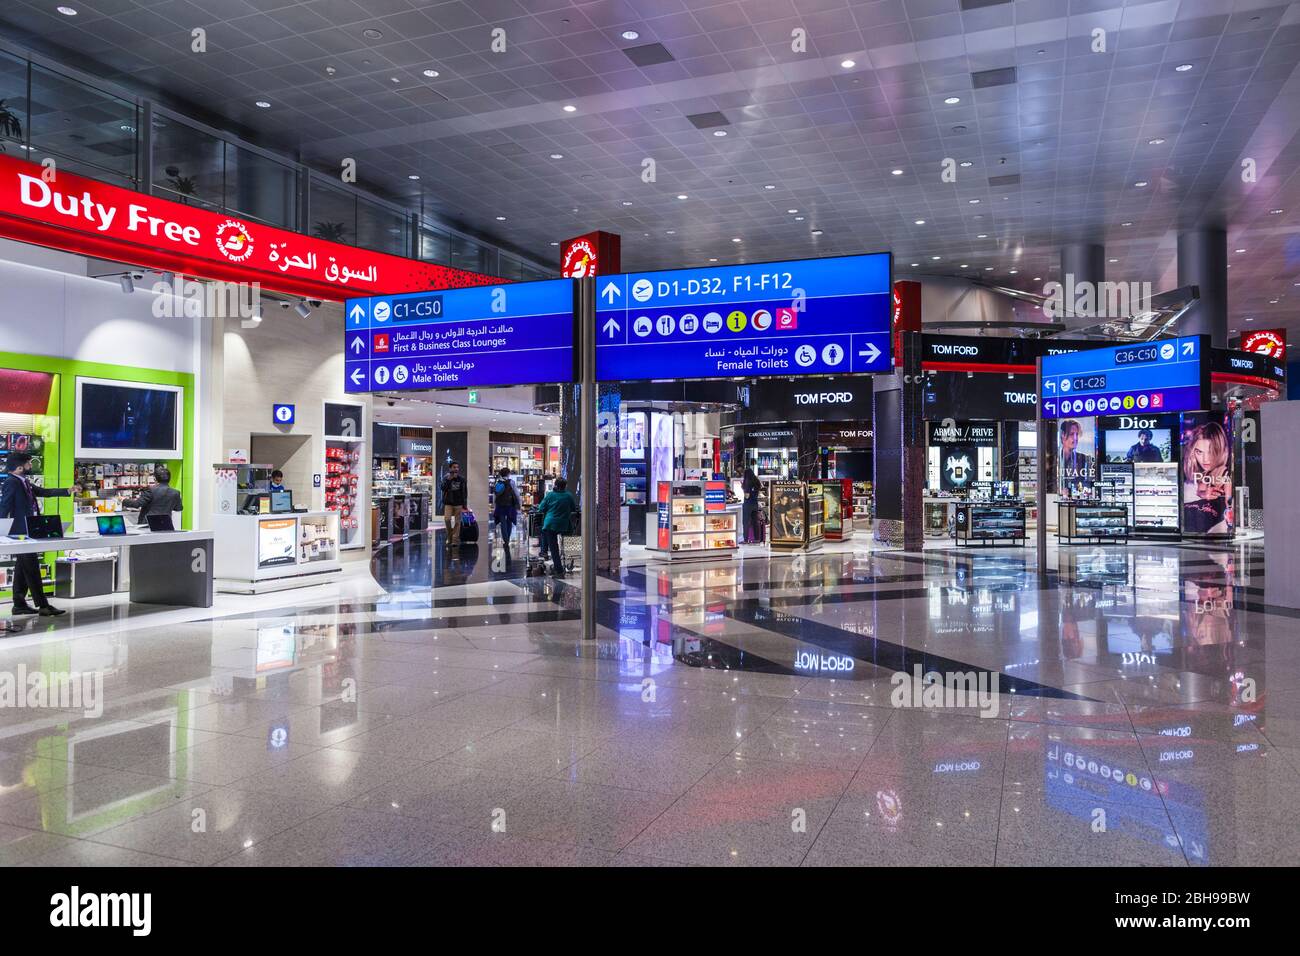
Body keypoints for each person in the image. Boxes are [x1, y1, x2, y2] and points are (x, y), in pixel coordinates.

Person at [0, 452, 73, 617]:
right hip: (20, 534)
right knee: (32, 567)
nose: (31, 465)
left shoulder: (24, 482)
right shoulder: (12, 483)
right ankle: (43, 605)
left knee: (22, 567)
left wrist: (68, 490)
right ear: (20, 467)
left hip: (29, 531)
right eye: (28, 463)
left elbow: (45, 492)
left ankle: (19, 604)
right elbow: (4, 506)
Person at [1183, 421, 1231, 534]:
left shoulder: (1225, 475)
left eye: (1210, 452)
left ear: (1220, 450)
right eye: (1199, 452)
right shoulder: (1197, 476)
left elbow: (1229, 509)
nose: (1205, 459)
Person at [536, 477, 578, 578]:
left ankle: (558, 570)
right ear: (565, 486)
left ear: (555, 485)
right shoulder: (568, 496)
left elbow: (541, 508)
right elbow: (573, 508)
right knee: (565, 542)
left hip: (550, 524)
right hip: (564, 525)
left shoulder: (550, 495)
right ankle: (566, 560)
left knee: (554, 547)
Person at [1058, 419, 1093, 495]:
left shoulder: (1084, 459)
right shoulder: (1054, 459)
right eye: (1071, 434)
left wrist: (1080, 491)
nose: (1075, 438)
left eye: (1076, 434)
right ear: (1063, 435)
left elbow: (1085, 483)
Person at [492, 467, 519, 559]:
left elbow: (495, 495)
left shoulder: (498, 482)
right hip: (510, 505)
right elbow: (516, 494)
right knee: (509, 521)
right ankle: (507, 539)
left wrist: (494, 505)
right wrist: (519, 504)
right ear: (508, 474)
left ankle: (505, 540)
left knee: (502, 522)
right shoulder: (511, 482)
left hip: (500, 505)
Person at [441, 461, 467, 549]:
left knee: (457, 522)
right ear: (450, 468)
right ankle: (449, 536)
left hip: (458, 503)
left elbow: (464, 492)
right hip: (448, 502)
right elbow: (442, 488)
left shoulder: (461, 479)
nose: (456, 469)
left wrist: (464, 503)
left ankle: (455, 540)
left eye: (457, 467)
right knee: (447, 519)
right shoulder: (446, 478)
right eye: (454, 467)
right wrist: (449, 479)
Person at [741, 467, 761, 543]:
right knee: (755, 522)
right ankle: (757, 538)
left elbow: (747, 495)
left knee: (746, 522)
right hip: (755, 504)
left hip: (748, 504)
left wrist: (743, 490)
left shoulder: (747, 482)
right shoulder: (756, 482)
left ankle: (745, 539)